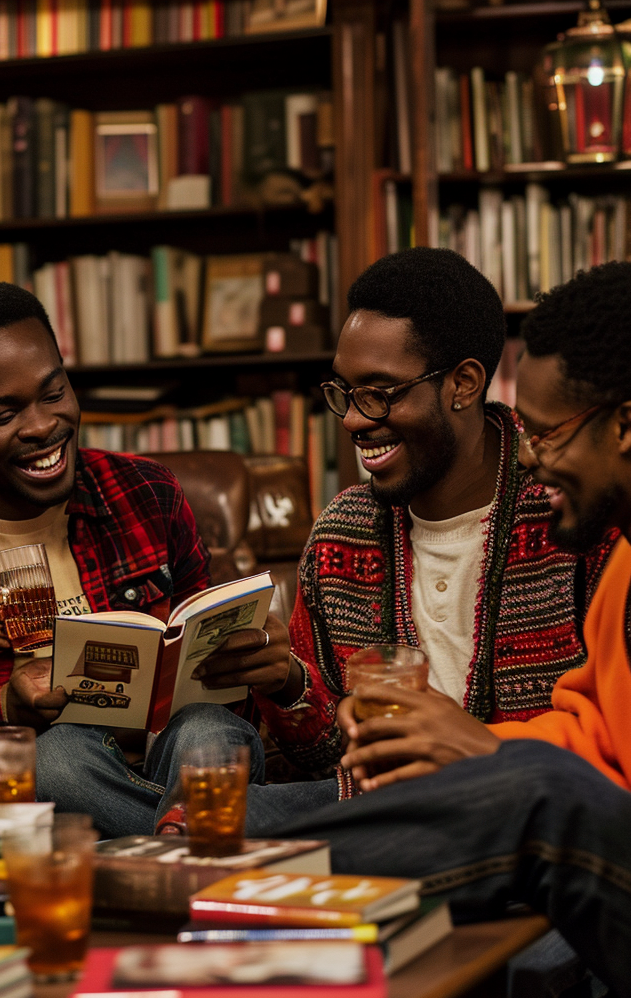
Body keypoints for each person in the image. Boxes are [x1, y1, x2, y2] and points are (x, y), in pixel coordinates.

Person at [255, 262, 631, 998]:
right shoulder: (626, 557)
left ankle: (229, 896)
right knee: (224, 791)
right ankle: (207, 895)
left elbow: (567, 780)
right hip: (474, 808)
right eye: (346, 394)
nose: (530, 455)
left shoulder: (583, 535)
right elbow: (592, 728)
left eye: (548, 434)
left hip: (554, 823)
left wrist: (483, 750)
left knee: (536, 792)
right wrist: (306, 695)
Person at [0, 282, 336, 837]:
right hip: (58, 798)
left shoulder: (147, 494)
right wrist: (4, 711)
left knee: (207, 730)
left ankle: (162, 858)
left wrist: (251, 666)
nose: (41, 426)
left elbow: (224, 706)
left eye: (52, 392)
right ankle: (204, 841)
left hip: (180, 749)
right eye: (3, 413)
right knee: (56, 756)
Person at [262, 247, 616, 777]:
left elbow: (608, 740)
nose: (354, 420)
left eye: (380, 393)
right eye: (345, 391)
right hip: (385, 814)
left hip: (531, 814)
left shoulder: (575, 511)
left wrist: (474, 747)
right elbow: (336, 760)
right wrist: (289, 683)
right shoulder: (342, 534)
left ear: (464, 384)